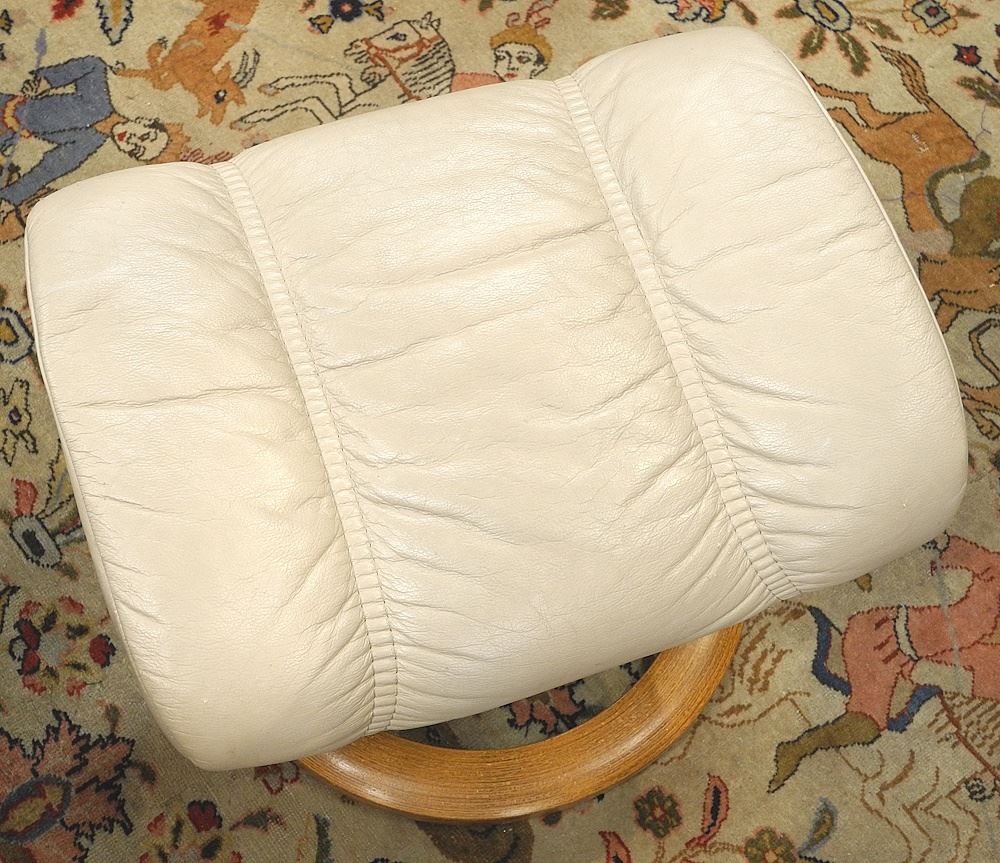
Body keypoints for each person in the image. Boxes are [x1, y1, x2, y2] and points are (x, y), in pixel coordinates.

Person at [0, 55, 184, 220]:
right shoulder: (98, 102)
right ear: (143, 121)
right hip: (8, 105)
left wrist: (9, 198)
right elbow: (93, 65)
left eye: (135, 150)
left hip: (8, 133)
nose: (132, 140)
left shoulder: (88, 144)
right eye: (144, 135)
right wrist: (47, 82)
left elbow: (49, 169)